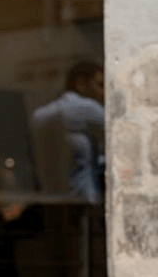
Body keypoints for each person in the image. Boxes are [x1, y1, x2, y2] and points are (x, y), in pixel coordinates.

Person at [31, 61, 105, 204]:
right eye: (99, 85)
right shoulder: (87, 107)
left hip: (55, 198)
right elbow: (121, 133)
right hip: (83, 199)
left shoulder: (42, 114)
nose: (103, 92)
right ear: (81, 84)